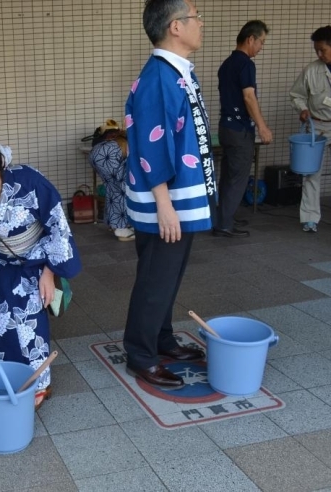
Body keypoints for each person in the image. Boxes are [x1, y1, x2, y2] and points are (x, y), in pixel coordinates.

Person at [0, 136, 82, 410]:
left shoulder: (30, 182)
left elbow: (57, 225)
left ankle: (39, 382)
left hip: (37, 258)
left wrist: (48, 272)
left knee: (31, 317)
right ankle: (9, 378)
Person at [122, 0, 211, 390]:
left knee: (167, 276)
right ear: (176, 26)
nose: (200, 23)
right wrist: (164, 204)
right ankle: (140, 353)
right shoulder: (160, 76)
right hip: (167, 200)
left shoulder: (175, 72)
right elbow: (151, 144)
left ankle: (160, 339)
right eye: (195, 16)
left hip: (177, 198)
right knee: (155, 279)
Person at [214, 20, 272, 238]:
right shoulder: (246, 64)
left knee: (229, 175)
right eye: (261, 42)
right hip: (239, 130)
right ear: (251, 39)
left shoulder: (227, 63)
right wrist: (262, 127)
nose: (261, 47)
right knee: (237, 178)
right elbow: (249, 97)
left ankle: (224, 218)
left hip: (225, 128)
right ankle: (224, 225)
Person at [290, 25, 331, 233]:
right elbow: (296, 94)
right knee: (312, 174)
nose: (319, 54)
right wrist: (303, 108)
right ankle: (310, 218)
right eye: (317, 50)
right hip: (318, 127)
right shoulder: (311, 70)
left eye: (323, 50)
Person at [89, 119, 135, 241]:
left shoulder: (114, 140)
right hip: (109, 155)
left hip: (97, 153)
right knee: (123, 191)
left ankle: (115, 224)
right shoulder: (133, 139)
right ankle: (121, 229)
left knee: (113, 190)